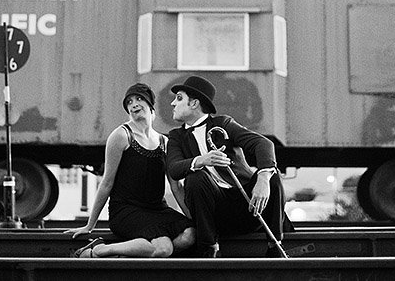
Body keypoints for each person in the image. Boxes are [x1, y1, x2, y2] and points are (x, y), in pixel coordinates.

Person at [65, 83, 195, 258]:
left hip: (156, 210)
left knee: (190, 235)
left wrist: (193, 218)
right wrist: (90, 225)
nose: (133, 104)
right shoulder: (121, 136)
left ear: (150, 104)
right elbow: (106, 183)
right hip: (126, 211)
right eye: (129, 102)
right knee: (164, 248)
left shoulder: (164, 142)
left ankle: (135, 253)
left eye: (139, 99)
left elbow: (176, 187)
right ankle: (100, 249)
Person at [166, 75, 289, 258]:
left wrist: (263, 178)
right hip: (216, 215)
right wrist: (202, 160)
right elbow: (175, 169)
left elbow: (264, 144)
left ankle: (274, 245)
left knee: (273, 175)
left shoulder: (223, 124)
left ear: (194, 103)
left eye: (179, 98)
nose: (172, 104)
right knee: (195, 177)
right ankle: (209, 247)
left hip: (249, 206)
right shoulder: (176, 137)